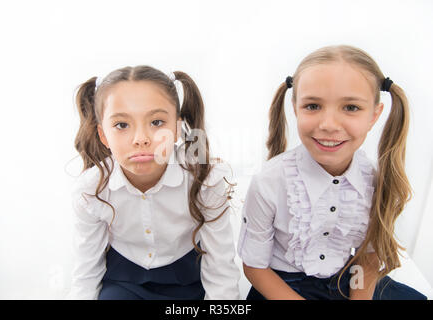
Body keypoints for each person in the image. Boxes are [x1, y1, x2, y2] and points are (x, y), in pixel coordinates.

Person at [237, 45, 427, 300]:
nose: (328, 125)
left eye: (350, 108)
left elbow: (368, 256)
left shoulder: (373, 179)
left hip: (348, 277)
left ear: (374, 115)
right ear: (295, 108)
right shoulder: (269, 182)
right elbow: (255, 267)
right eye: (313, 106)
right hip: (283, 287)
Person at [67, 65, 240, 300]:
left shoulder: (206, 180)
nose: (141, 139)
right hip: (123, 284)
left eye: (157, 122)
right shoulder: (90, 189)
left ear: (177, 129)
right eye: (122, 125)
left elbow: (221, 270)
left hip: (189, 284)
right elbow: (85, 272)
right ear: (103, 135)